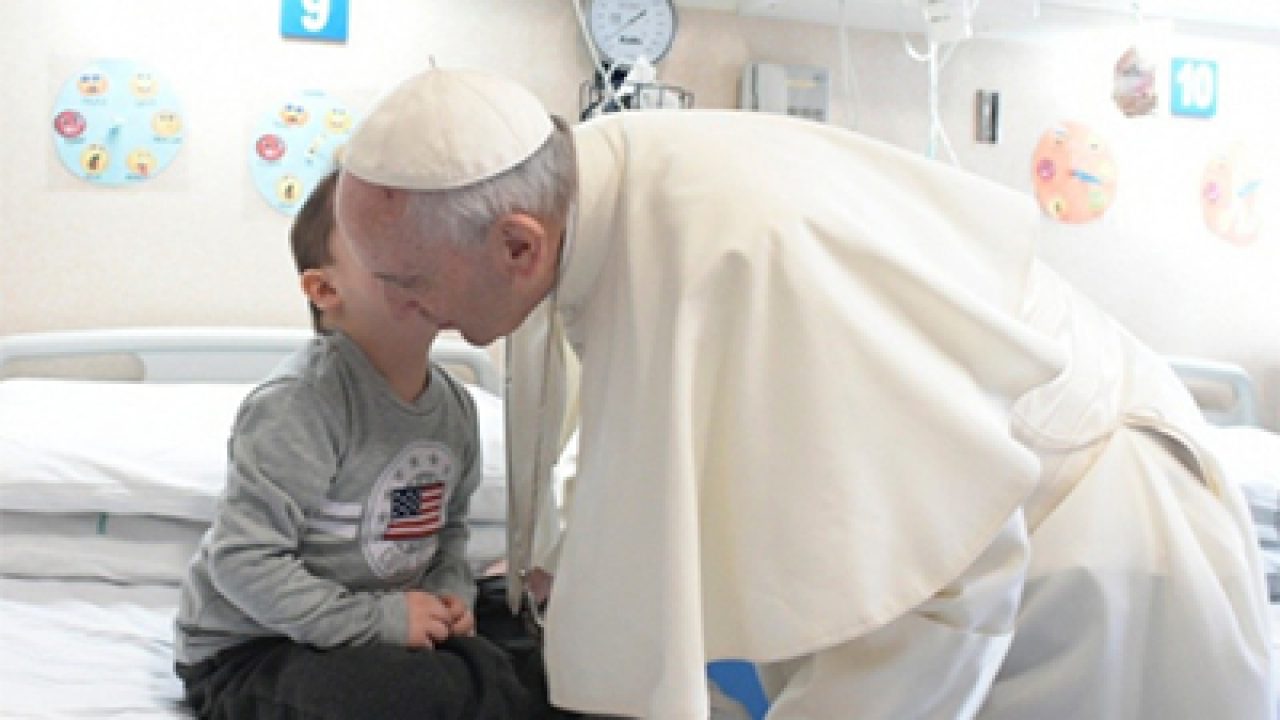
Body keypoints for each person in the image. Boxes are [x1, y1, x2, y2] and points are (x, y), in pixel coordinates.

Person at [333, 67, 1277, 719]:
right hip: (1012, 559)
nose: (403, 310)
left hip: (1088, 561)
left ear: (518, 245)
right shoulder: (600, 196)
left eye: (409, 283)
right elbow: (654, 437)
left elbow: (947, 579)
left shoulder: (739, 255)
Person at [172, 171, 533, 719]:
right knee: (399, 693)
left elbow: (448, 535)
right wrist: (382, 622)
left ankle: (494, 680)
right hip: (257, 647)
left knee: (554, 640)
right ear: (325, 291)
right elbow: (243, 561)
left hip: (383, 627)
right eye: (387, 249)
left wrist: (450, 599)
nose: (420, 262)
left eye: (431, 243)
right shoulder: (300, 404)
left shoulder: (456, 409)